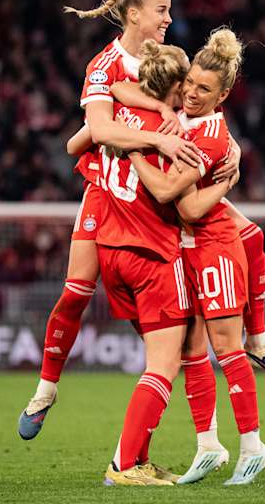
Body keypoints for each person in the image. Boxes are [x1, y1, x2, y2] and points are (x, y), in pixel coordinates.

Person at [17, 0, 200, 441]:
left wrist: (165, 115)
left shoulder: (167, 63)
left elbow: (85, 137)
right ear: (134, 14)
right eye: (162, 11)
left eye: (170, 11)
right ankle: (46, 389)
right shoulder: (103, 65)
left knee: (179, 335)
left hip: (157, 203)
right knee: (76, 292)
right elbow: (98, 131)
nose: (168, 19)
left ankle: (207, 434)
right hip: (107, 193)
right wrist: (152, 137)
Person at [130, 28, 265, 485]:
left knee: (226, 349)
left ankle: (253, 446)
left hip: (214, 247)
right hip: (183, 250)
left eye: (203, 89)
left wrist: (135, 151)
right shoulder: (188, 117)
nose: (190, 93)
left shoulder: (209, 136)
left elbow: (189, 207)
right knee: (193, 351)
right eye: (190, 82)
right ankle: (208, 445)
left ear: (223, 95)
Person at [96, 40, 234, 485]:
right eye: (187, 86)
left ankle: (141, 455)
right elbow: (173, 199)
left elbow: (85, 130)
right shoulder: (173, 132)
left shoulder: (120, 116)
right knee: (164, 364)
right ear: (174, 87)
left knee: (182, 351)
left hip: (109, 250)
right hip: (151, 253)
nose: (190, 96)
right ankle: (124, 464)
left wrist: (129, 143)